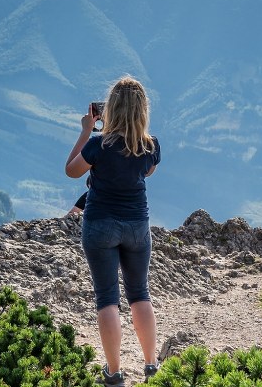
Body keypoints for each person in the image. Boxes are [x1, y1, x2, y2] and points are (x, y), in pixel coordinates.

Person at [65, 76, 160, 386]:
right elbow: (147, 171)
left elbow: (72, 170)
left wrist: (87, 130)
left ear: (112, 109)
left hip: (100, 225)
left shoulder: (98, 145)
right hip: (137, 226)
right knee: (140, 293)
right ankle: (151, 365)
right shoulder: (151, 145)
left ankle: (114, 373)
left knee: (107, 298)